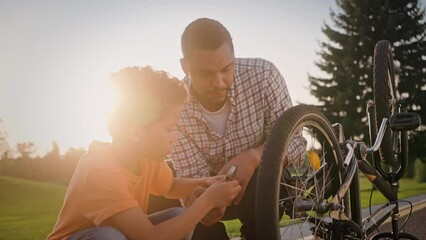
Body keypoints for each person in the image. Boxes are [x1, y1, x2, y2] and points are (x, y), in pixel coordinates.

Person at [47, 66, 241, 240]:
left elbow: (171, 187)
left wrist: (206, 183)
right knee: (108, 237)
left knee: (177, 216)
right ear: (137, 132)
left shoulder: (145, 157)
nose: (175, 137)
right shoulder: (99, 170)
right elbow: (150, 236)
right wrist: (208, 201)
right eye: (170, 128)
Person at [168, 18, 306, 240]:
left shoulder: (264, 75)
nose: (220, 81)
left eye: (226, 69)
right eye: (206, 74)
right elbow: (192, 179)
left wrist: (255, 156)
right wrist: (204, 202)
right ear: (186, 67)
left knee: (264, 180)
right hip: (209, 195)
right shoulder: (175, 107)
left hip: (262, 190)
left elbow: (298, 145)